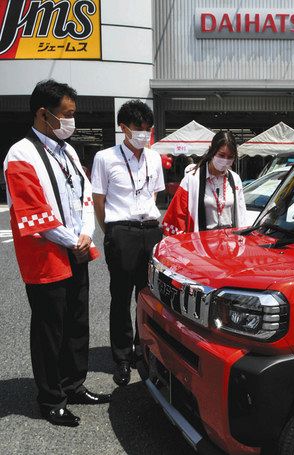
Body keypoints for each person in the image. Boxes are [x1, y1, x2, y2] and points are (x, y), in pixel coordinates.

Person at [3, 80, 110, 427]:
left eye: (73, 115)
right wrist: (70, 238)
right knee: (50, 329)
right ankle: (51, 398)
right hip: (47, 255)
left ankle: (73, 384)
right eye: (66, 115)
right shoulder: (21, 153)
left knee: (77, 322)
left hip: (75, 248)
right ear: (43, 113)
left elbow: (84, 193)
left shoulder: (68, 151)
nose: (71, 121)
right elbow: (33, 213)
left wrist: (85, 232)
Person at [91, 100, 165, 387]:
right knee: (121, 296)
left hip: (150, 229)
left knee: (147, 295)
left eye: (148, 129)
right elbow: (99, 200)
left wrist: (147, 223)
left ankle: (141, 348)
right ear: (123, 128)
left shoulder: (154, 158)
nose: (144, 134)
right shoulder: (105, 158)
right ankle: (121, 357)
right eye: (138, 129)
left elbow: (154, 195)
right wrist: (110, 230)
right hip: (121, 230)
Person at [162, 131, 248, 235]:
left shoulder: (235, 179)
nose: (225, 160)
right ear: (212, 151)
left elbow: (242, 214)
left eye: (230, 157)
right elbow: (177, 216)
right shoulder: (193, 179)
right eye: (221, 155)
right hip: (203, 243)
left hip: (229, 243)